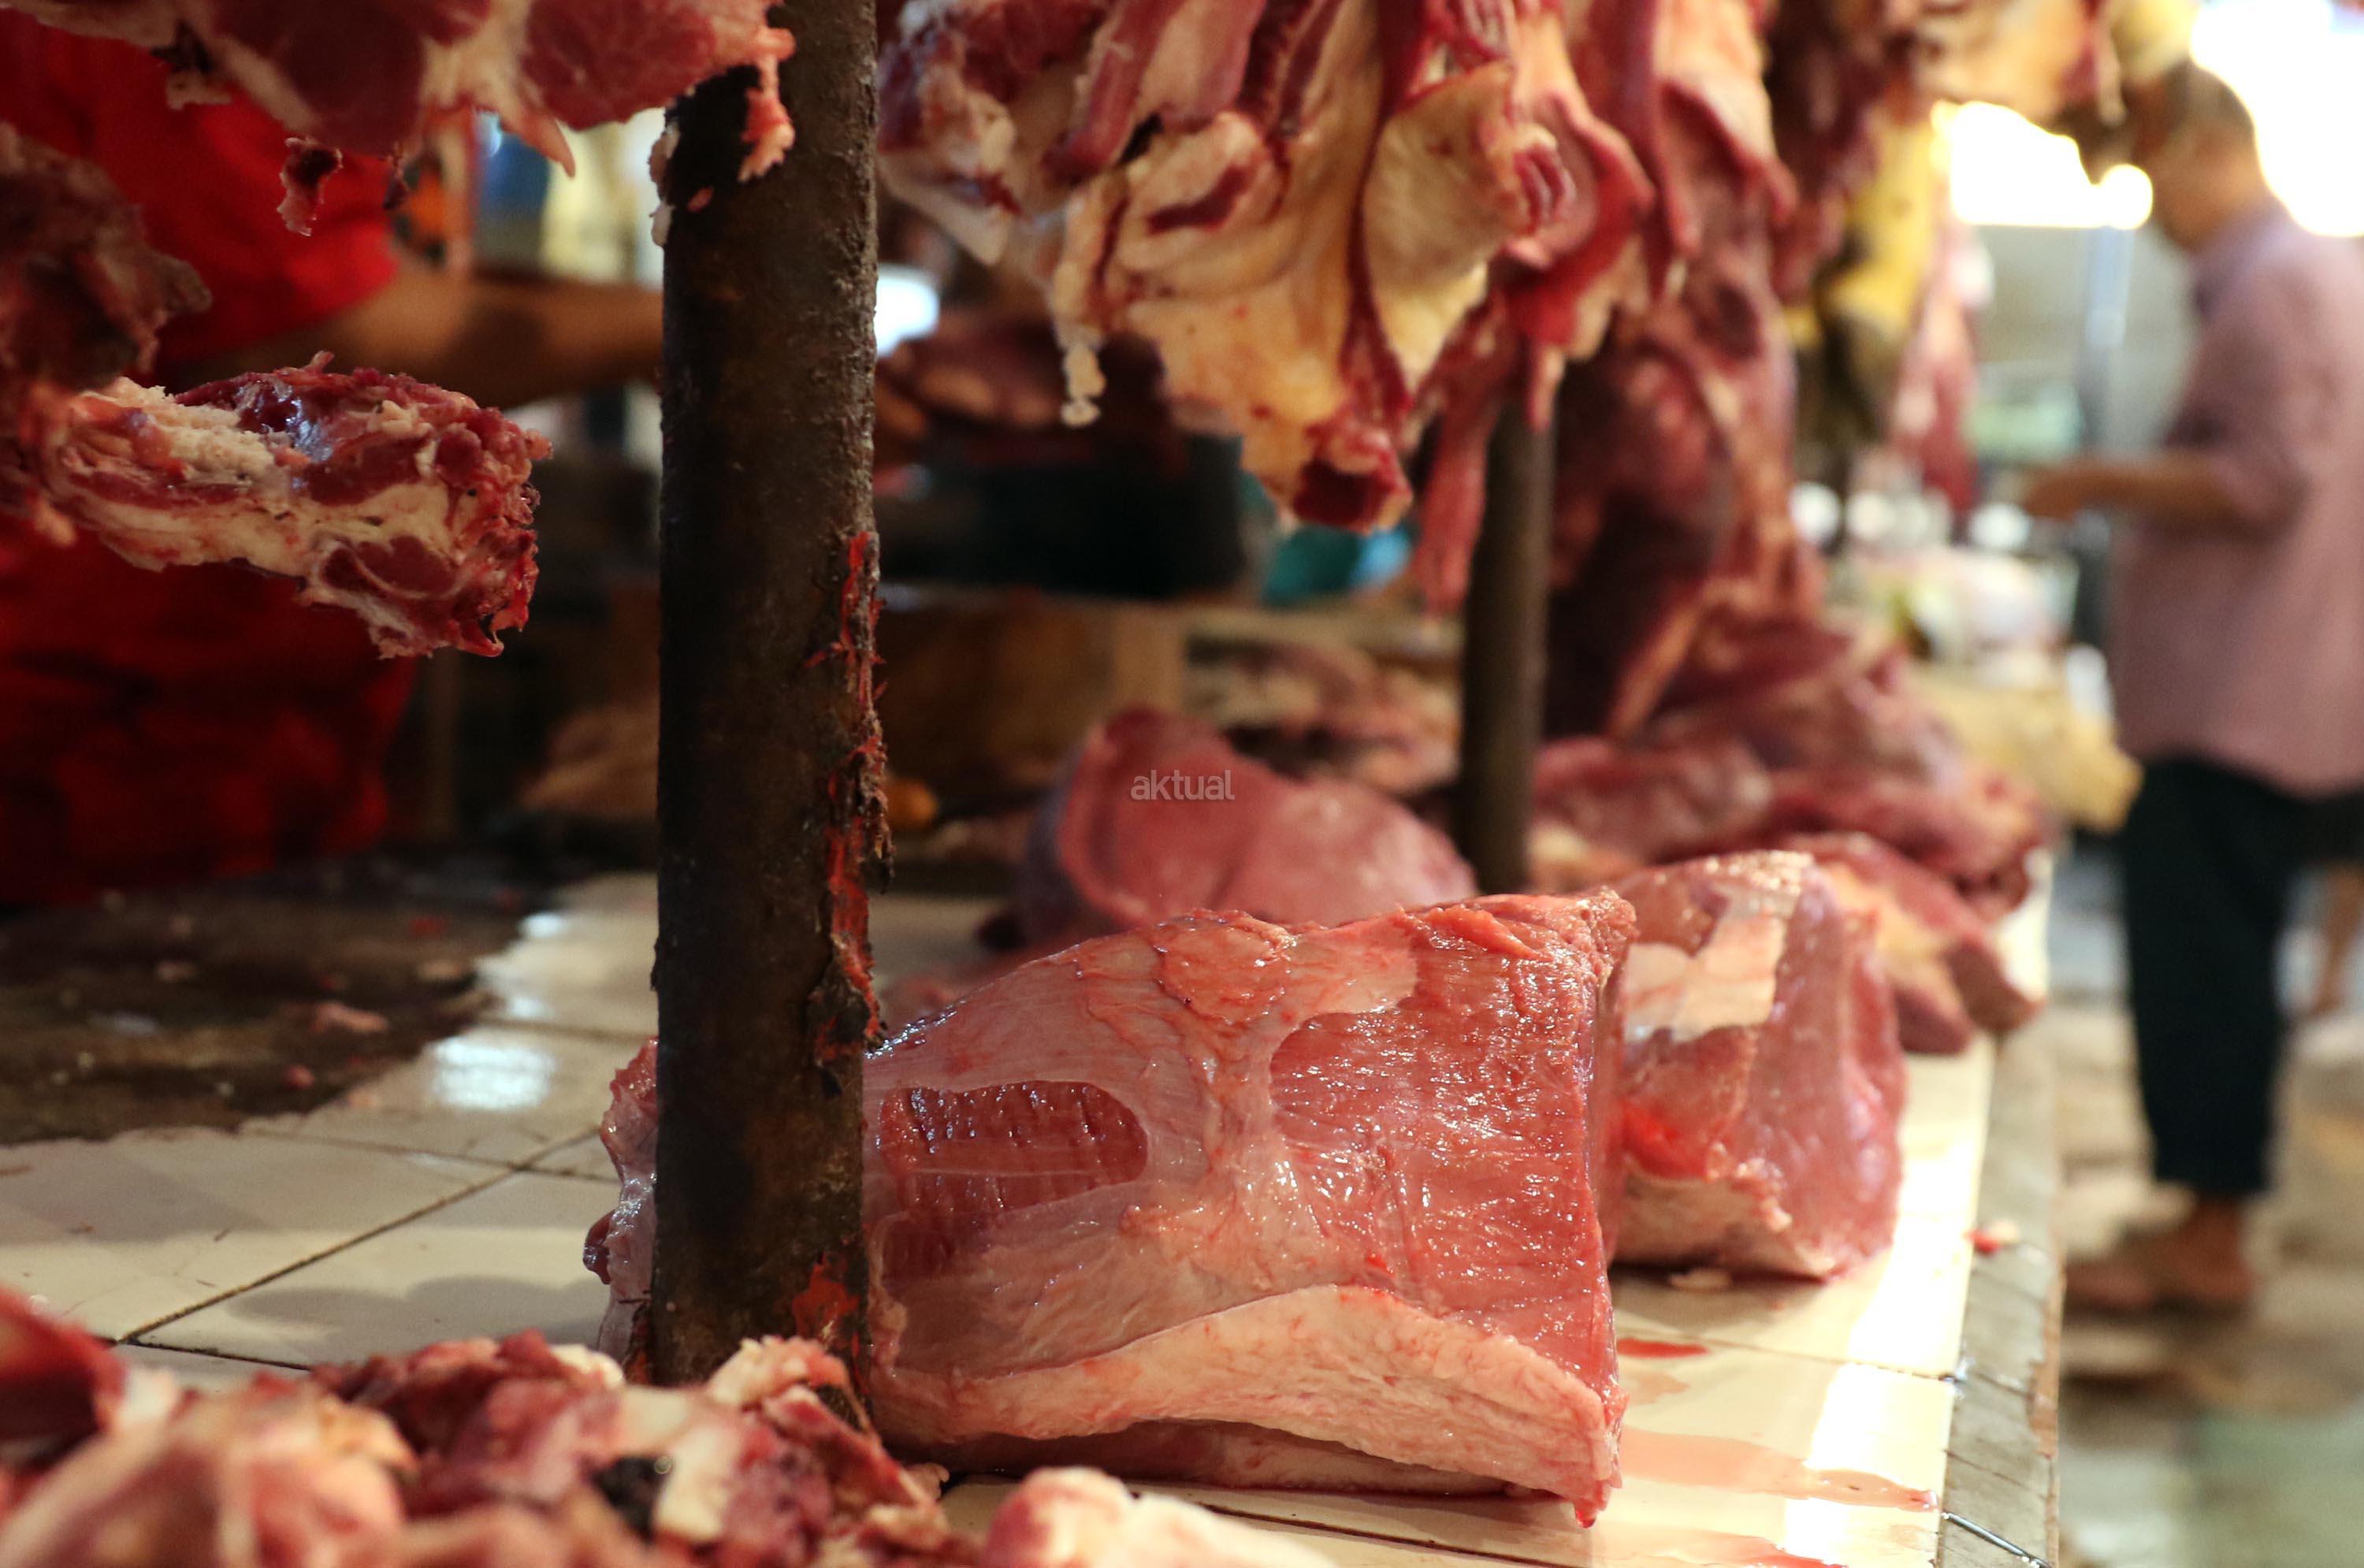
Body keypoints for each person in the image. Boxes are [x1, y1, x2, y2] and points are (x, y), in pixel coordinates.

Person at [0, 22, 665, 905]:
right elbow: (290, 332)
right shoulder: (229, 20)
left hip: (264, 715)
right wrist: (683, 324)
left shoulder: (400, 24)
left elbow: (379, 269)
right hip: (92, 727)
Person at [2022, 67, 2364, 1313]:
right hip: (2266, 688)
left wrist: (2097, 479)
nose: (2148, 205)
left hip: (2239, 699)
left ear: (2213, 148)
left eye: (2150, 172)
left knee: (2206, 968)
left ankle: (2209, 1241)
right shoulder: (2302, 276)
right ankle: (2201, 1220)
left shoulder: (2277, 283)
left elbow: (2266, 477)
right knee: (2219, 961)